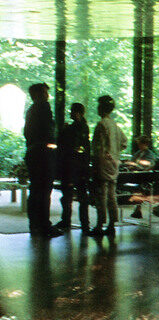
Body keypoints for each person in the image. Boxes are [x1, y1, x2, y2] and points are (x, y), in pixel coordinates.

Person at [23, 82, 57, 238]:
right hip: (43, 154)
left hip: (33, 153)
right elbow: (49, 133)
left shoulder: (31, 111)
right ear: (37, 94)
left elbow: (27, 133)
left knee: (36, 190)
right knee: (44, 191)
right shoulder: (44, 109)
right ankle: (44, 226)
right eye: (44, 93)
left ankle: (35, 225)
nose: (47, 96)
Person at [91, 95, 127, 240]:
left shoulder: (102, 125)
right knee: (112, 195)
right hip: (114, 164)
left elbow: (97, 147)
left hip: (102, 164)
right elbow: (124, 142)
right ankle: (112, 224)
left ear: (102, 108)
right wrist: (115, 152)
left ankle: (100, 225)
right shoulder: (115, 125)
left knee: (101, 195)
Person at [57, 102, 91, 234]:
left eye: (72, 111)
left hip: (71, 166)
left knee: (68, 195)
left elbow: (66, 145)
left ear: (77, 113)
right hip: (81, 166)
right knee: (81, 195)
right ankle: (84, 223)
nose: (70, 113)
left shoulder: (72, 129)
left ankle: (67, 220)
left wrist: (63, 131)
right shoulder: (84, 127)